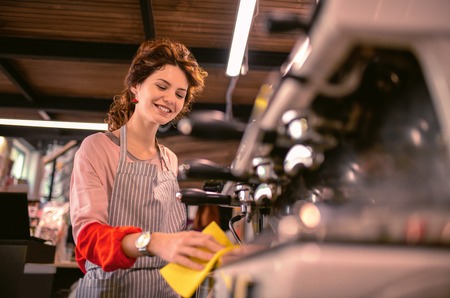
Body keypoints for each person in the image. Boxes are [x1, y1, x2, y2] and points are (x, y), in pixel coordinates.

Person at [69, 38, 224, 297]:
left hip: (163, 289)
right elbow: (89, 238)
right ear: (136, 86)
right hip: (110, 288)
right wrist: (152, 242)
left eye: (179, 94)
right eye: (161, 86)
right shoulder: (98, 147)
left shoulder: (170, 159)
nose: (170, 99)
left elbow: (173, 236)